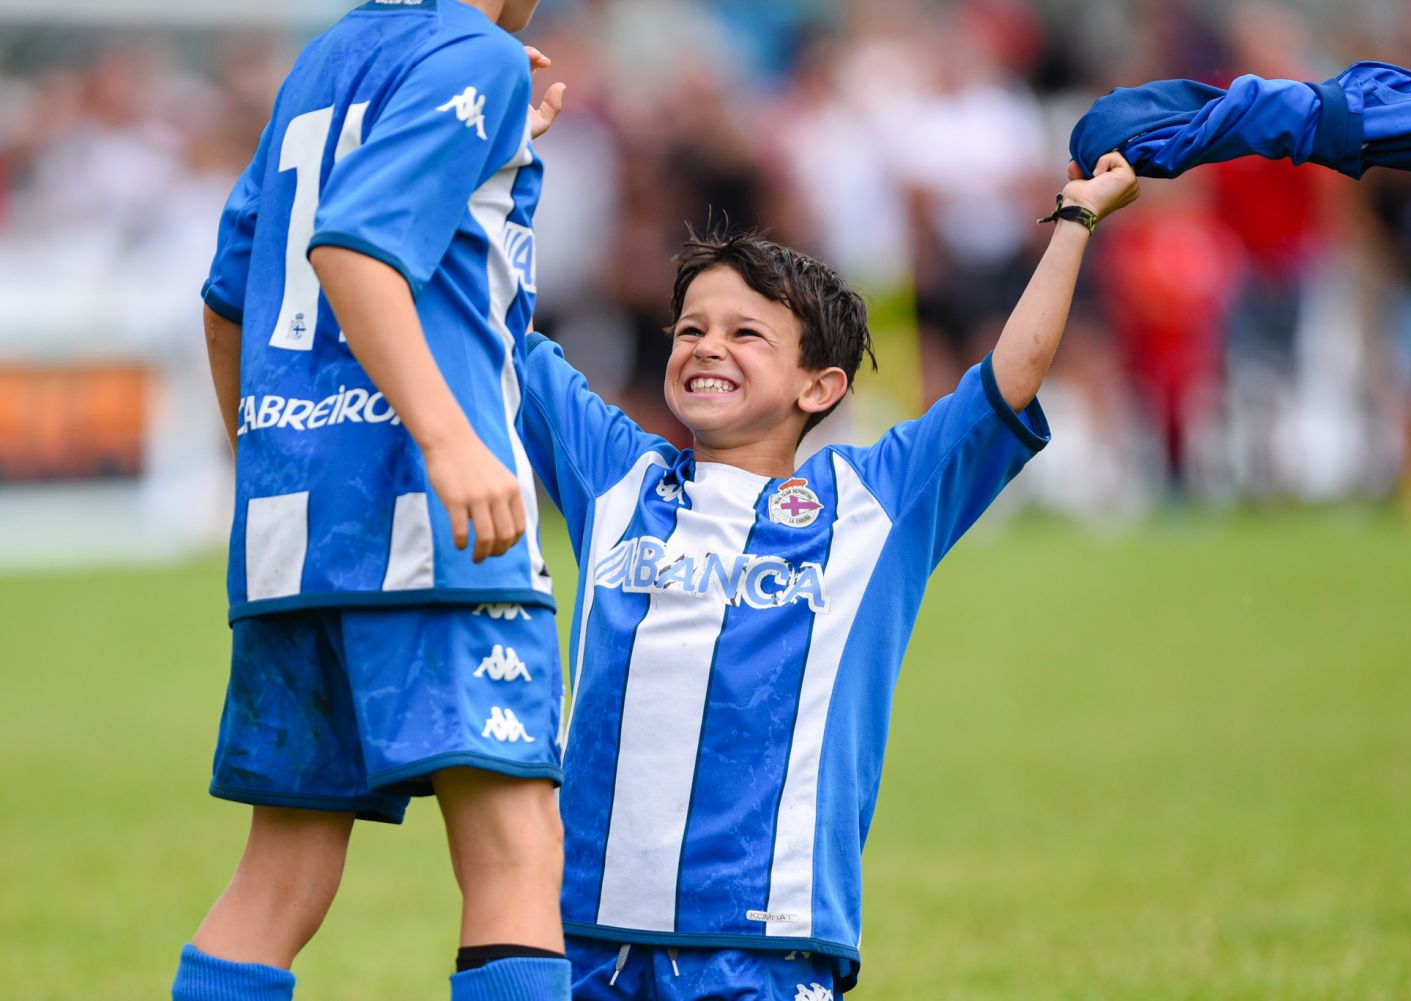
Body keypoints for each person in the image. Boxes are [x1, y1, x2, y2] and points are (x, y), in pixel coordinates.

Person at [520, 154, 1140, 998]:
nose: (708, 347)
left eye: (746, 333)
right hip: (584, 926)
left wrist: (1076, 218)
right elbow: (504, 334)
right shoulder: (616, 475)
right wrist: (504, 164)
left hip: (765, 937)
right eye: (692, 328)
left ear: (823, 385)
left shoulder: (874, 503)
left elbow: (1008, 380)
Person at [173, 2, 570, 999]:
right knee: (516, 842)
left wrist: (274, 464)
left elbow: (228, 299)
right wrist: (447, 439)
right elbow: (354, 250)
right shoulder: (475, 54)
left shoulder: (328, 59)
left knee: (283, 867)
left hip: (293, 529)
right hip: (434, 521)